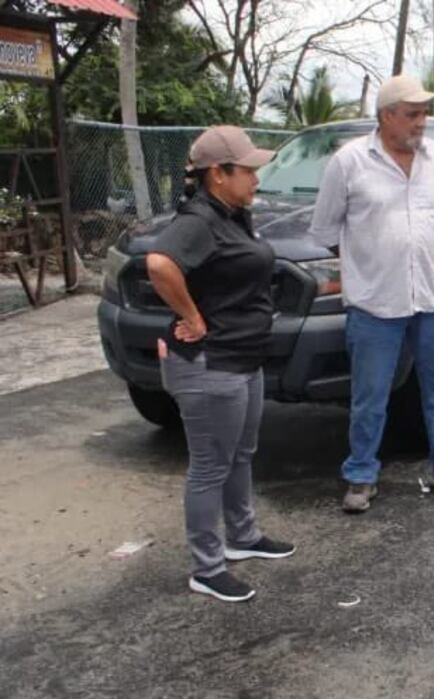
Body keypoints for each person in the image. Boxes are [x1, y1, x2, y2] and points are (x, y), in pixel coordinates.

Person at [309, 73, 434, 513]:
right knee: (370, 397)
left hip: (432, 297)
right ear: (386, 117)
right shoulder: (349, 163)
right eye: (412, 114)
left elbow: (433, 217)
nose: (421, 122)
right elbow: (326, 231)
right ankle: (361, 474)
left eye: (424, 113)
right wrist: (369, 263)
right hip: (374, 304)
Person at [147, 126, 296, 603]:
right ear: (218, 174)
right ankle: (207, 567)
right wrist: (191, 315)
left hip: (242, 360)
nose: (256, 178)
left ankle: (243, 536)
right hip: (210, 366)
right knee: (211, 466)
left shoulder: (233, 215)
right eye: (248, 169)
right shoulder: (200, 219)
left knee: (241, 455)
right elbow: (159, 263)